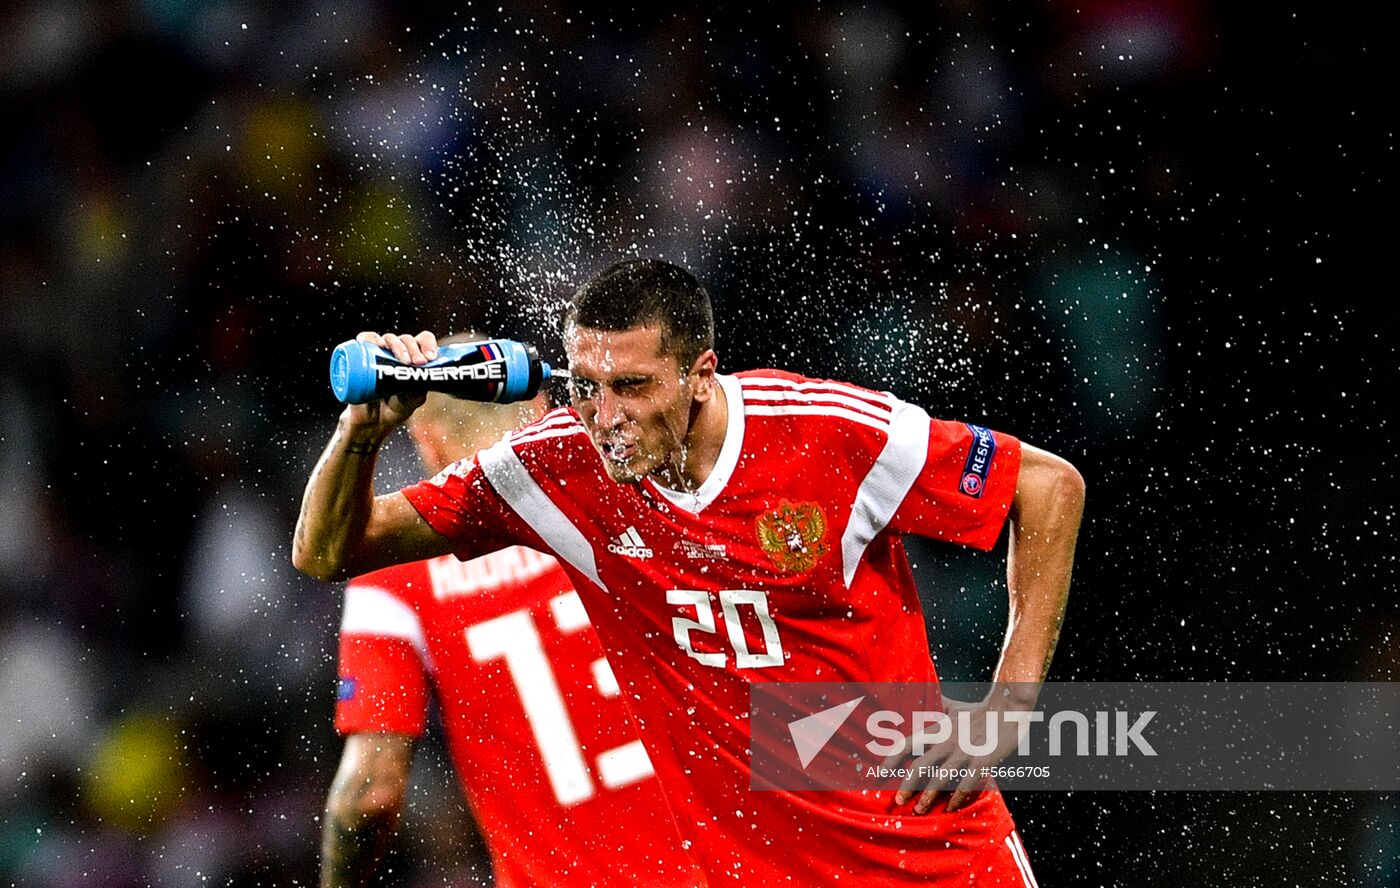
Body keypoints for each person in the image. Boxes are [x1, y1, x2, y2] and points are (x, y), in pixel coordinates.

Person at [295, 259, 1085, 886]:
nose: (606, 417)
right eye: (587, 388)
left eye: (633, 388)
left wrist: (1007, 708)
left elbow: (1048, 487)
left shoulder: (825, 431)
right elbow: (329, 553)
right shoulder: (555, 468)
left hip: (926, 854)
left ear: (702, 373)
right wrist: (361, 433)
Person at [319, 364, 701, 888]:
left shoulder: (394, 576)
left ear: (428, 442)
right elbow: (771, 675)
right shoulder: (633, 501)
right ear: (543, 412)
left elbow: (371, 793)